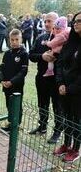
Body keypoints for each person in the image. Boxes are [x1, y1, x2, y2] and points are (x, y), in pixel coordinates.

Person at [29, 12, 63, 144]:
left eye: (50, 21)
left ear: (57, 22)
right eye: (45, 21)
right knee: (42, 104)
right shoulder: (40, 38)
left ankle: (57, 131)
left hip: (56, 80)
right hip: (41, 78)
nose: (47, 24)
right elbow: (31, 55)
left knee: (57, 107)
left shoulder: (63, 39)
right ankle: (42, 126)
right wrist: (42, 56)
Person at [54, 11, 81, 163]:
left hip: (77, 92)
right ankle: (66, 144)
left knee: (76, 120)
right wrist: (60, 83)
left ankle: (75, 149)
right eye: (75, 21)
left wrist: (70, 88)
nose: (76, 23)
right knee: (66, 118)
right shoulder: (70, 42)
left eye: (80, 21)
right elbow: (59, 64)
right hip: (63, 89)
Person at [0, 29, 29, 131]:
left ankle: (17, 124)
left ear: (21, 39)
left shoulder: (24, 54)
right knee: (9, 104)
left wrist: (12, 82)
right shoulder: (7, 53)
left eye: (17, 39)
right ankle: (11, 122)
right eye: (12, 40)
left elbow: (23, 72)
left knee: (17, 105)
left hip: (16, 85)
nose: (14, 42)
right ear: (9, 40)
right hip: (6, 85)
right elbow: (1, 68)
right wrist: (2, 80)